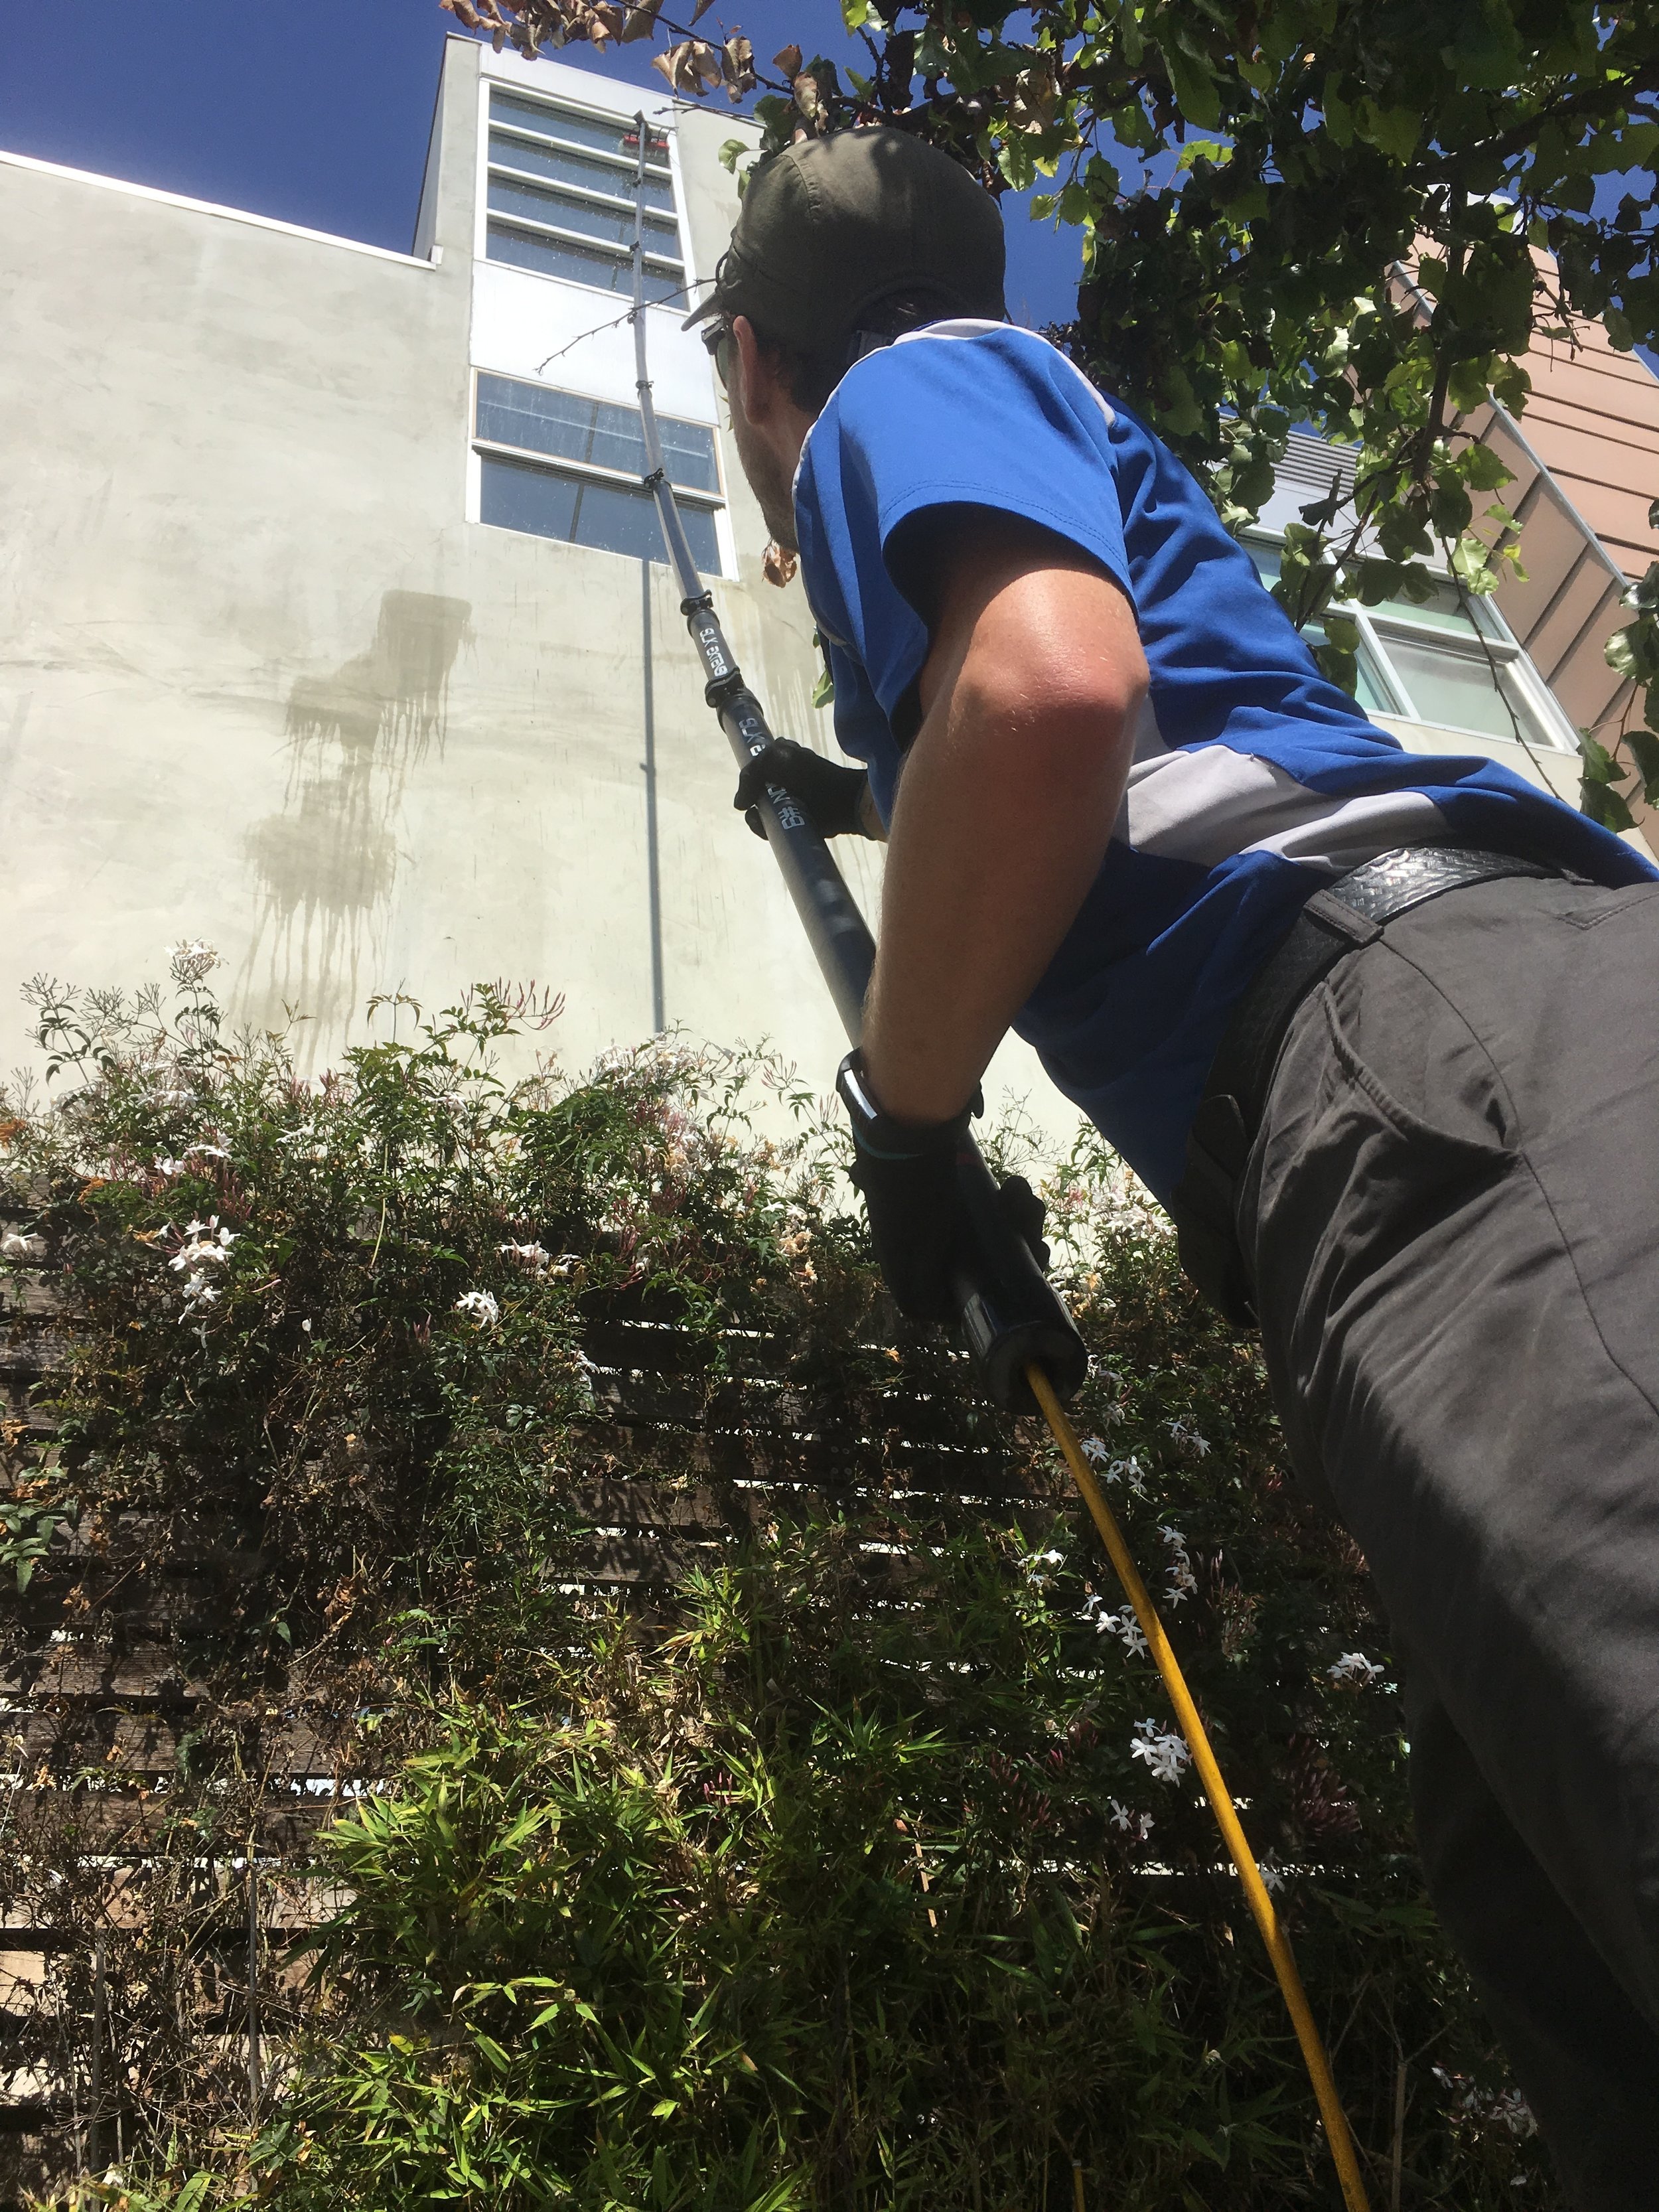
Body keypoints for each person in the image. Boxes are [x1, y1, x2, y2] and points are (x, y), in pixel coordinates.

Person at [687, 125, 1659, 2209]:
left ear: (758, 359)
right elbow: (1108, 758)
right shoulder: (1012, 423)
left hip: (1427, 1058)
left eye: (730, 389)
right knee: (1550, 1914)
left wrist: (911, 1122)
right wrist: (858, 789)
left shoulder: (897, 386)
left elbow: (1043, 704)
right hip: (1466, 1059)